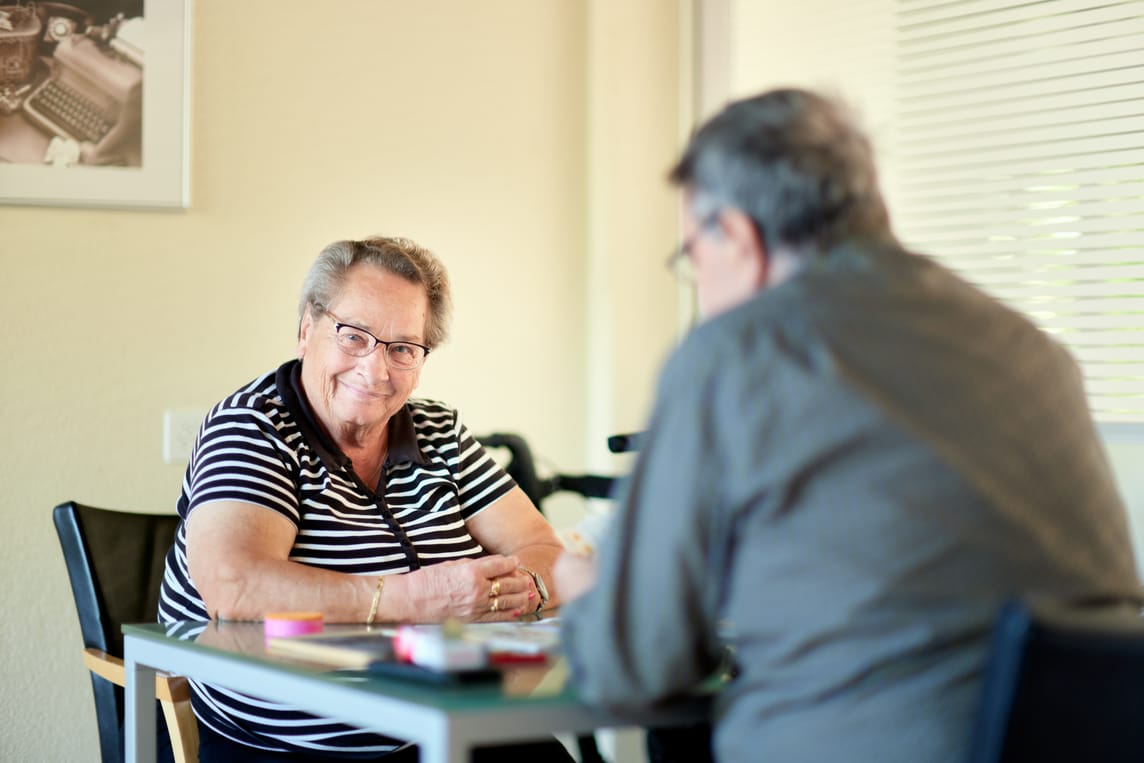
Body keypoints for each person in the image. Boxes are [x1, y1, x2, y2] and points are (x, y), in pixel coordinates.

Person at [555, 88, 1141, 763]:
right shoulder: (1032, 349)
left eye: (693, 256)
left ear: (740, 237)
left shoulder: (732, 354)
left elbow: (636, 670)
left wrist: (579, 587)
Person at [158, 236, 572, 762]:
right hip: (292, 742)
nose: (376, 370)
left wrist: (514, 594)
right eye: (354, 336)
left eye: (402, 348)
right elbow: (235, 587)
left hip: (438, 721)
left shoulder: (436, 430)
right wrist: (413, 602)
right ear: (307, 329)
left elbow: (545, 549)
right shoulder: (253, 427)